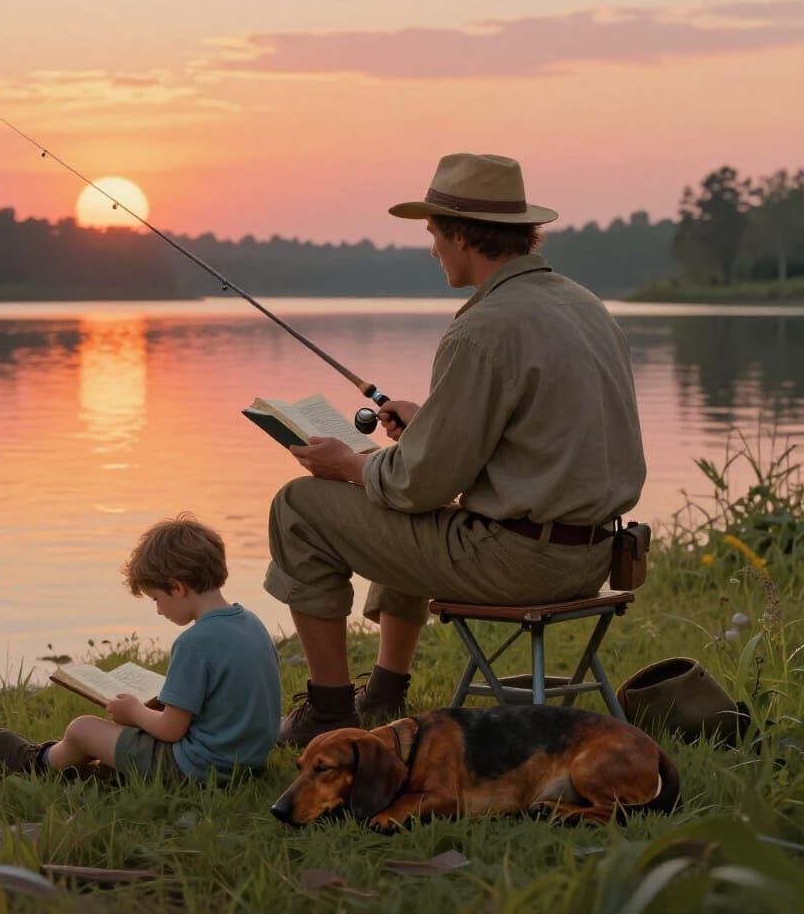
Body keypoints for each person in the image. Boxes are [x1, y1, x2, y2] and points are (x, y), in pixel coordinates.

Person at [264, 153, 646, 746]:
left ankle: (329, 713)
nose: (433, 249)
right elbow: (540, 440)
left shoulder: (483, 328)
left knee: (300, 506)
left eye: (434, 234)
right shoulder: (584, 306)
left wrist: (350, 465)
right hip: (594, 554)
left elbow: (421, 484)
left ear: (462, 236)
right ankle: (384, 692)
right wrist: (428, 427)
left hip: (521, 564)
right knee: (395, 500)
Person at [0, 514, 282, 782]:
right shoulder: (251, 623)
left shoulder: (194, 643)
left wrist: (135, 712)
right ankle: (95, 772)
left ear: (177, 588)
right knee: (136, 725)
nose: (158, 610)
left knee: (82, 729)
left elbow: (171, 730)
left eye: (156, 599)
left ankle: (39, 764)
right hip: (248, 761)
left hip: (198, 768)